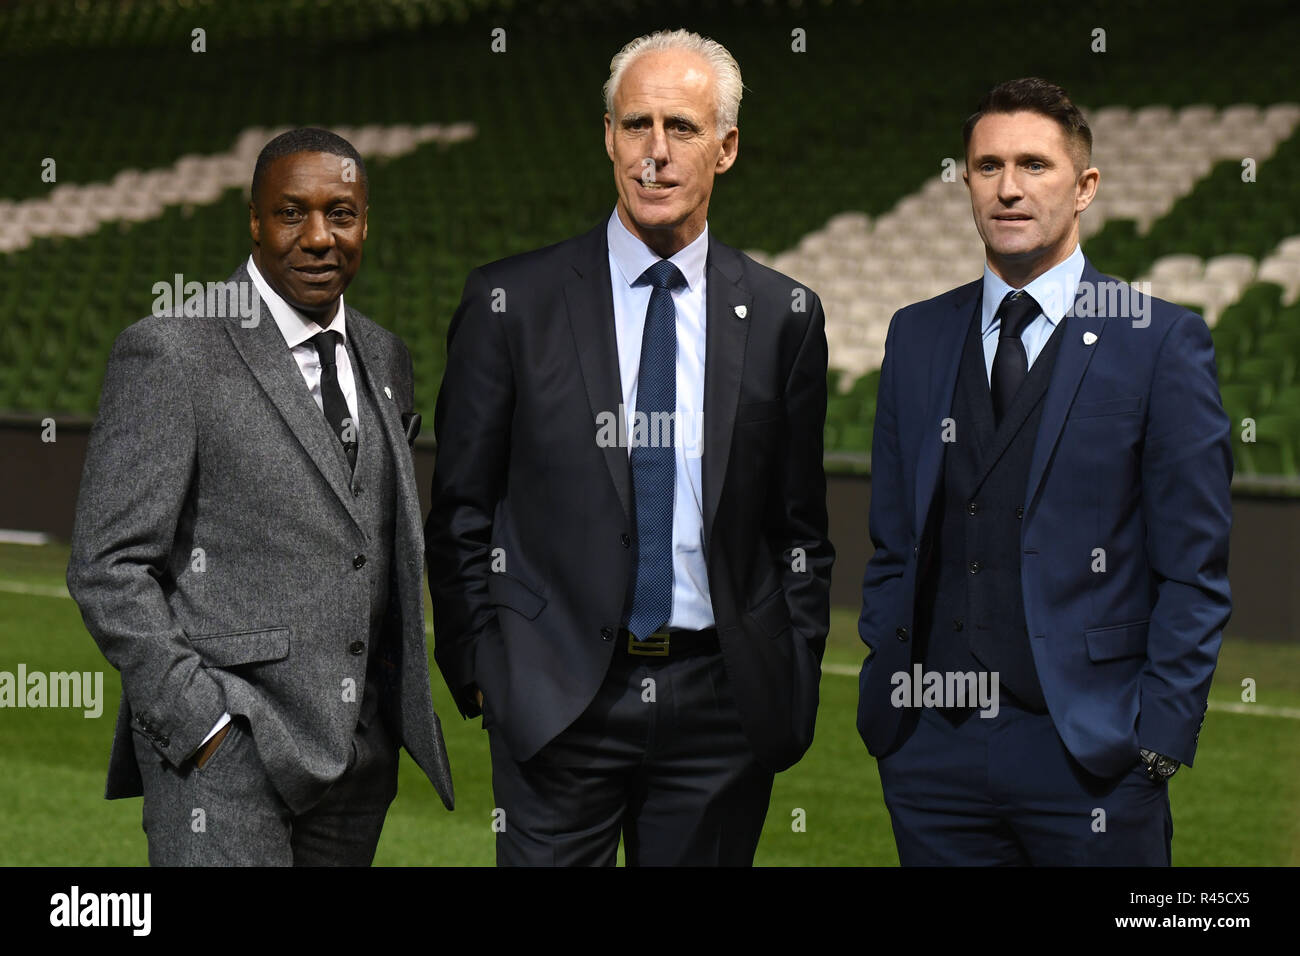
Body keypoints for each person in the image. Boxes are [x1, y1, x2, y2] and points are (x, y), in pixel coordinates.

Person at [426, 29, 833, 866]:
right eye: (635, 124)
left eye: (681, 128)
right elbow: (462, 504)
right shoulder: (511, 302)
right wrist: (483, 667)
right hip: (554, 694)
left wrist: (786, 664)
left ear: (725, 148)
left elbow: (800, 529)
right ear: (607, 136)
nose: (655, 152)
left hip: (721, 704)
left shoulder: (786, 315)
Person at [857, 77, 1233, 866]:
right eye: (987, 166)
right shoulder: (918, 335)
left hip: (1091, 757)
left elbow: (1194, 569)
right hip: (932, 754)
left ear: (1085, 186)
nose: (1009, 187)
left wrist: (1159, 739)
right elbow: (894, 540)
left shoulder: (1160, 342)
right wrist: (893, 710)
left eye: (1034, 164)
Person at [67, 127, 453, 866]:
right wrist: (202, 723)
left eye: (340, 214)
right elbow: (107, 566)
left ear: (365, 222)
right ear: (254, 220)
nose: (318, 238)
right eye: (291, 213)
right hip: (226, 760)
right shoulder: (173, 347)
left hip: (359, 759)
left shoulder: (384, 355)